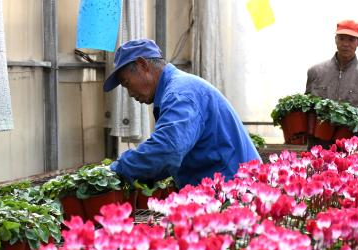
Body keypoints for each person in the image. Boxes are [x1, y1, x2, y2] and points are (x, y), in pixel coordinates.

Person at [103, 39, 260, 189]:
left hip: (236, 193)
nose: (130, 93)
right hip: (227, 188)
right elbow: (170, 159)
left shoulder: (180, 95)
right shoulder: (178, 89)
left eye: (127, 84)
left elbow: (167, 149)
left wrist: (115, 170)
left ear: (142, 64)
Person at [306, 20, 358, 125]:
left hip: (350, 139)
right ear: (335, 39)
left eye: (351, 39)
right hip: (317, 139)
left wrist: (347, 118)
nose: (345, 44)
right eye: (341, 38)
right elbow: (306, 109)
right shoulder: (315, 72)